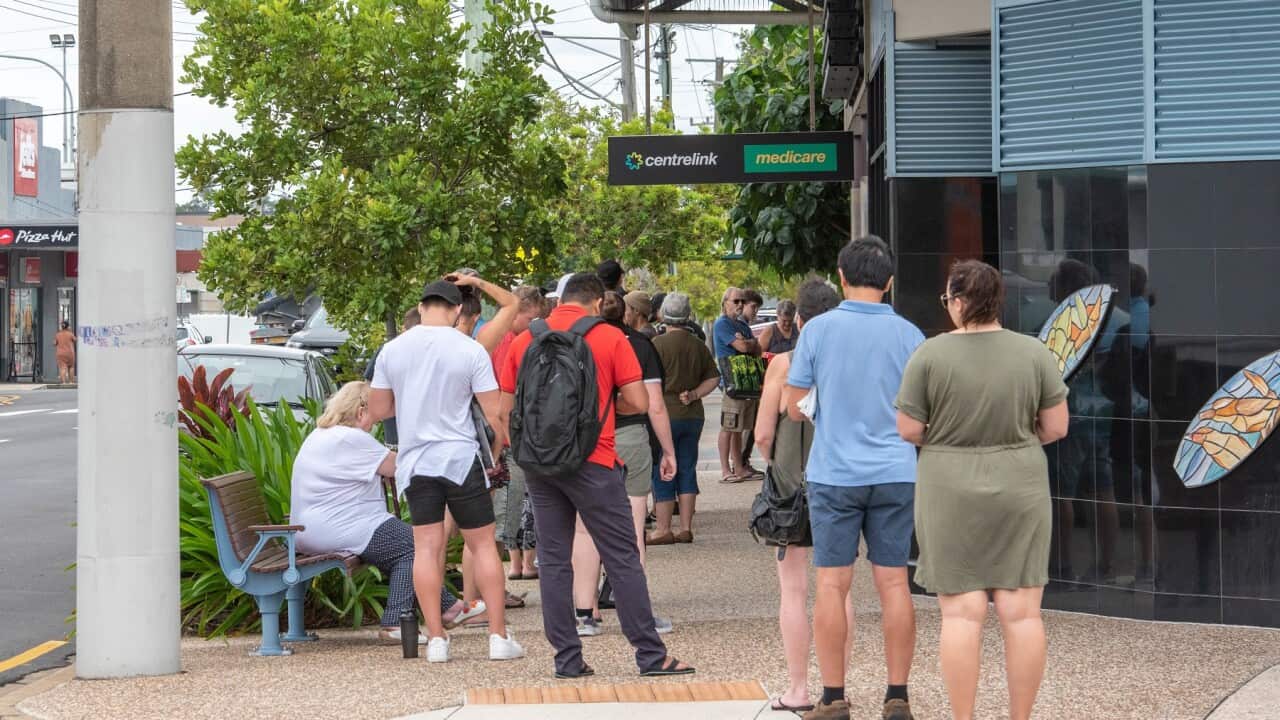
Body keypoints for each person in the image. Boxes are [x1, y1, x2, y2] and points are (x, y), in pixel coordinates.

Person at [895, 260, 1069, 720]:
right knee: (1023, 614)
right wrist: (1017, 436)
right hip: (1020, 482)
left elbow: (908, 428)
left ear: (957, 301)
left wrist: (947, 438)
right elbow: (1056, 426)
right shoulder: (1033, 352)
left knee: (961, 614)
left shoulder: (929, 355)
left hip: (947, 485)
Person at [498, 272, 693, 679]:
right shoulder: (609, 338)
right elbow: (638, 401)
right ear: (598, 302)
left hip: (540, 465)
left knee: (554, 561)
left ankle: (567, 660)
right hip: (595, 460)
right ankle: (650, 655)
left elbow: (504, 411)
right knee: (622, 556)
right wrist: (598, 407)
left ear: (559, 300)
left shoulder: (524, 340)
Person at [784, 236, 924, 720]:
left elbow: (794, 406)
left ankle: (832, 697)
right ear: (889, 282)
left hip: (835, 473)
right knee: (895, 584)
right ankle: (897, 695)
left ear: (841, 277)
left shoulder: (818, 331)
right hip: (896, 471)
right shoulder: (910, 335)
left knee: (831, 584)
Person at [368, 279, 524, 663]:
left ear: (422, 307)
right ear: (456, 312)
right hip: (459, 458)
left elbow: (380, 409)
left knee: (426, 548)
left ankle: (437, 639)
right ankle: (498, 636)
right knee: (482, 545)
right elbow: (493, 413)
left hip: (415, 463)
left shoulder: (392, 350)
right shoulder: (469, 349)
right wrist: (495, 456)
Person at [290, 381, 486, 644]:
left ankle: (448, 608)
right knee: (414, 546)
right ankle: (397, 622)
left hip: (324, 525)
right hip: (337, 525)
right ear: (361, 410)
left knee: (410, 544)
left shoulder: (325, 434)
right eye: (376, 412)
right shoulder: (350, 438)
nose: (377, 420)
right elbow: (399, 466)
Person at [755, 280, 850, 714]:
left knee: (793, 591)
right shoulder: (849, 363)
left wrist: (776, 462)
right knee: (839, 590)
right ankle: (837, 687)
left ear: (799, 320)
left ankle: (798, 688)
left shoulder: (784, 364)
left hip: (790, 488)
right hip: (841, 482)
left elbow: (762, 434)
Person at [572, 291, 677, 635]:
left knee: (584, 528)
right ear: (628, 314)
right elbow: (654, 404)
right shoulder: (638, 345)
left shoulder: (575, 339)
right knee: (632, 526)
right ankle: (637, 611)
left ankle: (586, 613)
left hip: (584, 440)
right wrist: (668, 450)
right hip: (628, 436)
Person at [649, 292, 719, 545]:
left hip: (664, 414)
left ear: (663, 314)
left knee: (663, 468)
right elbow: (714, 377)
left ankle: (663, 528)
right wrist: (695, 394)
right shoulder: (698, 345)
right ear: (687, 315)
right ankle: (686, 527)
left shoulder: (656, 344)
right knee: (687, 467)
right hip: (692, 415)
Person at [493, 286, 546, 582]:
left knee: (512, 506)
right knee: (520, 504)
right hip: (514, 434)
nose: (533, 324)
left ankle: (516, 566)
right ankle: (523, 564)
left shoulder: (495, 337)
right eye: (530, 317)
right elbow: (507, 396)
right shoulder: (514, 342)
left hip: (505, 433)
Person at [713, 287, 762, 484]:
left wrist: (749, 343)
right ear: (725, 303)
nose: (740, 304)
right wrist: (749, 343)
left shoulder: (742, 325)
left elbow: (757, 349)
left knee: (739, 428)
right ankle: (725, 470)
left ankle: (739, 467)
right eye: (736, 301)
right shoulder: (722, 324)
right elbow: (742, 346)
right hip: (732, 383)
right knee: (728, 426)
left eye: (742, 301)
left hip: (746, 382)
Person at [364, 307, 422, 448]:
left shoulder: (387, 350)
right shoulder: (434, 351)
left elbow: (368, 386)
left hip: (394, 431)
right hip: (424, 435)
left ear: (403, 328)